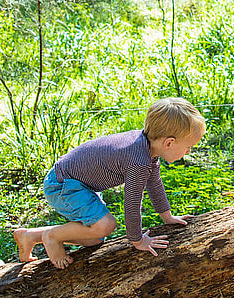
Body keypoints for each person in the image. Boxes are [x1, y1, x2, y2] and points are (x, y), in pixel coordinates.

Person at [13, 97, 205, 269]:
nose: (188, 152)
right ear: (169, 143)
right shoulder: (138, 161)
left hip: (76, 183)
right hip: (63, 184)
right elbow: (131, 203)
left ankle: (30, 236)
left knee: (95, 238)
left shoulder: (147, 148)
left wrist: (167, 216)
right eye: (188, 147)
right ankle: (52, 236)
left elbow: (154, 185)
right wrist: (138, 240)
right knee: (105, 225)